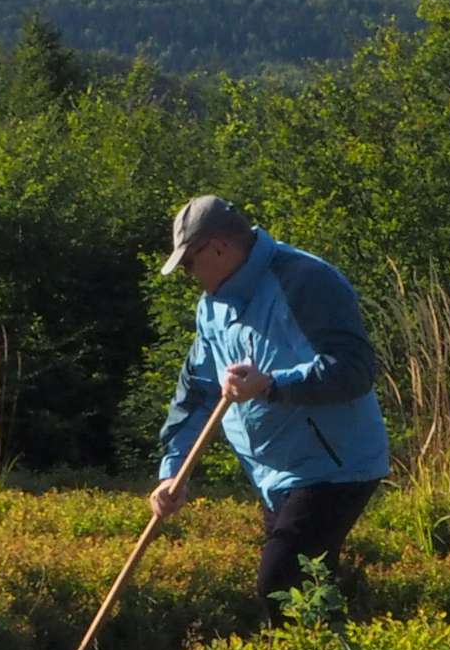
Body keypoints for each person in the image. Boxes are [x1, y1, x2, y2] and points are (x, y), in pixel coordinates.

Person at [149, 195, 389, 613]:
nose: (189, 275)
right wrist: (173, 472)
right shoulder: (212, 309)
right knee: (303, 588)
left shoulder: (306, 280)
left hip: (334, 466)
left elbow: (353, 370)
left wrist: (271, 385)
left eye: (189, 263)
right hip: (273, 475)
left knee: (281, 583)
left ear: (218, 247)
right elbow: (197, 394)